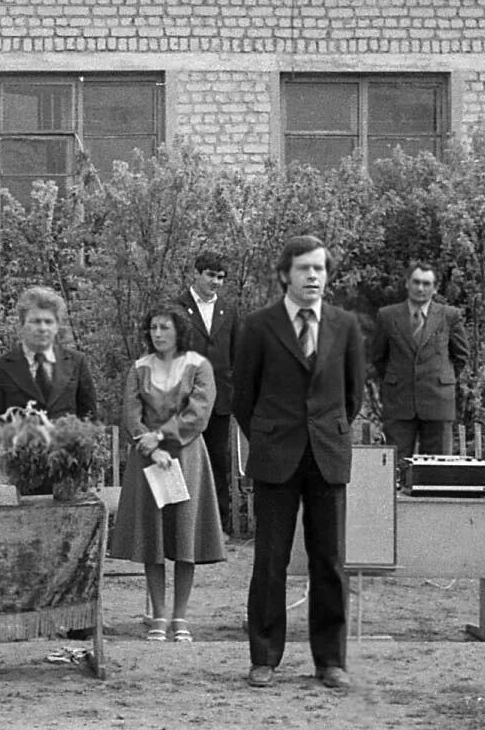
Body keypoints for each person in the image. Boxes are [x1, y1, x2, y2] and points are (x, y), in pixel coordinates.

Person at [236, 235, 364, 690]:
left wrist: (325, 432)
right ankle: (265, 658)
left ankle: (330, 661)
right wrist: (270, 437)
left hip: (327, 455)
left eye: (320, 269)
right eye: (304, 269)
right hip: (276, 457)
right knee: (269, 559)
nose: (313, 276)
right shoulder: (257, 326)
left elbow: (353, 396)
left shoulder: (345, 325)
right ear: (284, 275)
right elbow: (243, 398)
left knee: (329, 560)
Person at [108, 305, 226, 643]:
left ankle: (181, 616)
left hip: (186, 456)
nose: (158, 334)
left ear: (179, 332)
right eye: (153, 328)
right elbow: (131, 415)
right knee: (154, 538)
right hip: (149, 459)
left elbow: (199, 414)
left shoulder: (198, 366)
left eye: (165, 328)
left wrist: (162, 437)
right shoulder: (139, 369)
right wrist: (149, 445)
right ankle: (158, 614)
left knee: (185, 536)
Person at [368, 261, 469, 462]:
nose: (420, 288)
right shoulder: (387, 316)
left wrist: (441, 379)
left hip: (438, 403)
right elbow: (379, 357)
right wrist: (397, 378)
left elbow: (461, 356)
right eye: (416, 282)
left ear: (435, 288)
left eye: (426, 283)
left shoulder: (449, 316)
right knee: (394, 471)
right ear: (407, 284)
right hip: (399, 403)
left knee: (437, 474)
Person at [174, 252, 239, 532]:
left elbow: (236, 354)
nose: (216, 282)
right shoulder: (176, 308)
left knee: (217, 460)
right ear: (197, 273)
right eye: (211, 275)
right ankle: (180, 524)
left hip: (220, 399)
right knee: (183, 459)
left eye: (221, 277)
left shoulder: (229, 310)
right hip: (184, 399)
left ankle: (217, 527)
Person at [0, 286, 97, 423]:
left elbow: (89, 417)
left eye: (48, 322)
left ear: (57, 326)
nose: (43, 328)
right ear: (21, 326)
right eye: (36, 321)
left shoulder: (77, 362)